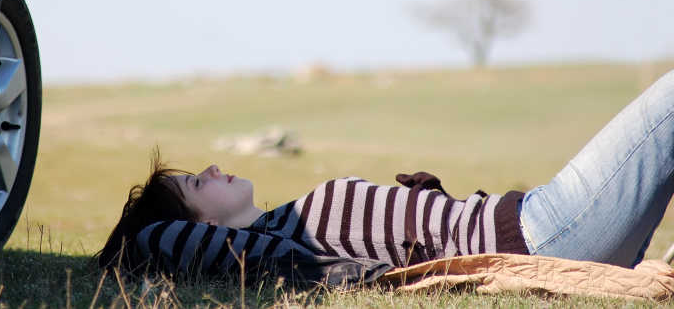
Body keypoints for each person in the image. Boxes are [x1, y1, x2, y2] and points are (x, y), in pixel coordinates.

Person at [96, 70, 674, 279]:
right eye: (197, 183)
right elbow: (152, 241)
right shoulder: (273, 248)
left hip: (536, 222)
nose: (213, 169)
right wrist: (133, 233)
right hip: (540, 233)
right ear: (201, 226)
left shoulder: (283, 225)